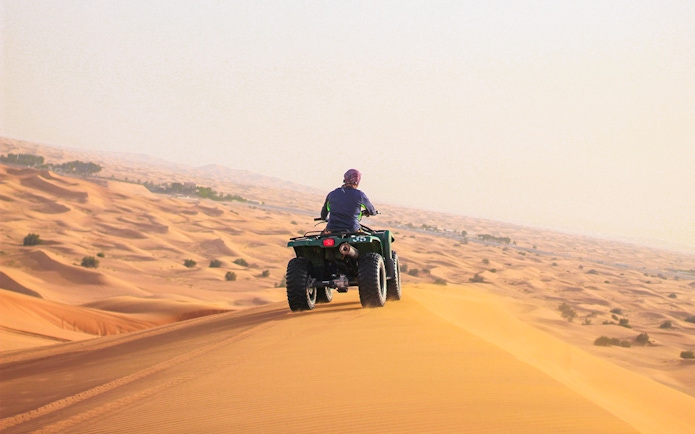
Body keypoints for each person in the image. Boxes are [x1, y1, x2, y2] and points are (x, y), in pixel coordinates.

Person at [320, 169, 377, 233]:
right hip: (352, 229)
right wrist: (367, 212)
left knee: (320, 238)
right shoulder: (360, 195)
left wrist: (324, 218)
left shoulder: (332, 194)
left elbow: (323, 214)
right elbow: (372, 211)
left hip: (332, 229)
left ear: (345, 179)